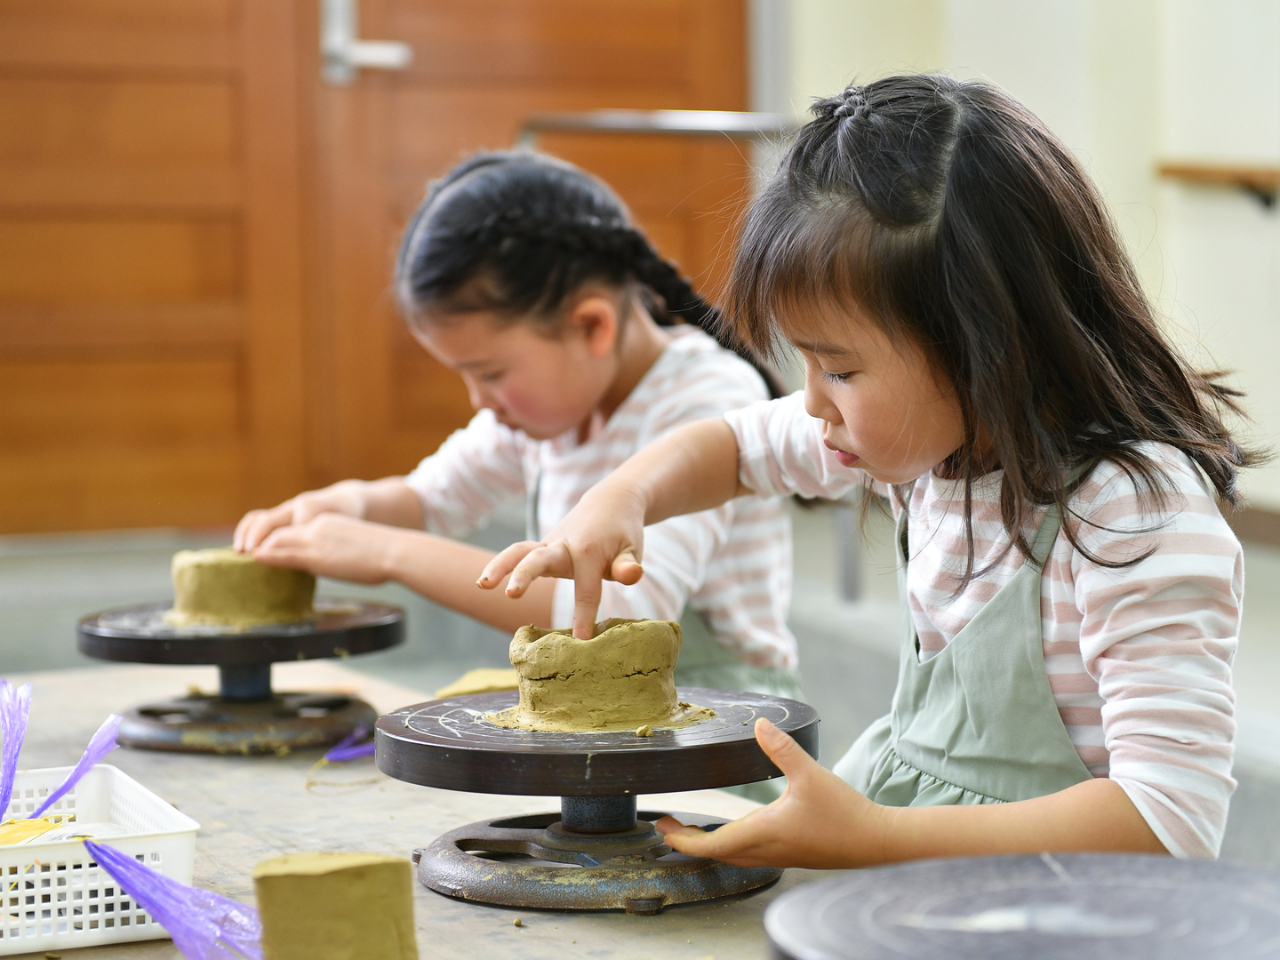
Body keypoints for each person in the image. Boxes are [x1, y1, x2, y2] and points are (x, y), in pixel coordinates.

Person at [481, 76, 1256, 868]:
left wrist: (878, 839)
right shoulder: (928, 442)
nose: (811, 403)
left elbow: (1170, 820)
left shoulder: (1133, 511)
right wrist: (620, 496)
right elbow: (734, 448)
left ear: (986, 350)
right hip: (907, 871)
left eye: (840, 370)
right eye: (804, 363)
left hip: (1061, 909)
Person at [234, 150, 801, 703]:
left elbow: (625, 612)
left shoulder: (703, 396)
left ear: (592, 326)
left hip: (716, 727)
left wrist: (388, 554)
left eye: (490, 372)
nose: (481, 400)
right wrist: (350, 507)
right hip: (587, 721)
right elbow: (428, 500)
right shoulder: (540, 414)